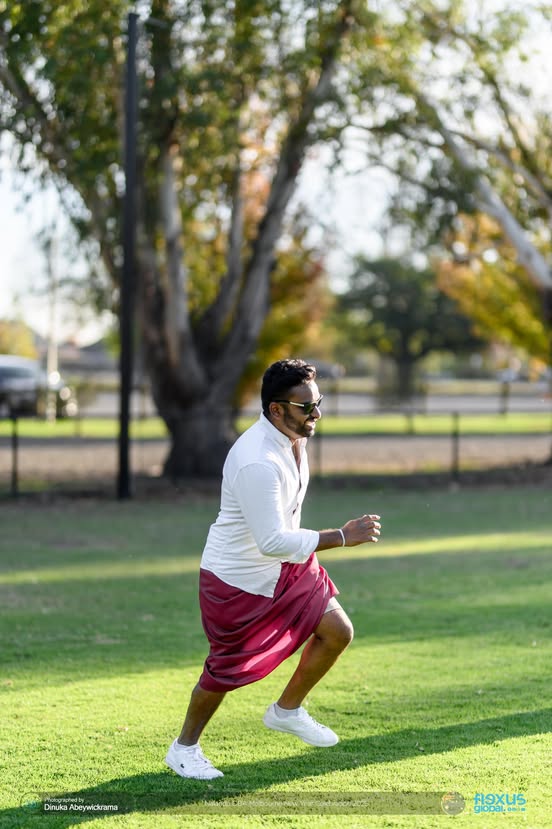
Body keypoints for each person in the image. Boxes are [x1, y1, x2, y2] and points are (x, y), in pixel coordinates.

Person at [165, 358, 381, 780]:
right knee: (225, 670)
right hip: (238, 579)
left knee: (338, 631)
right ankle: (184, 748)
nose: (316, 413)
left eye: (318, 402)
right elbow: (271, 541)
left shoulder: (294, 438)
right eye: (306, 407)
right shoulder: (257, 461)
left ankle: (287, 710)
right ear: (276, 409)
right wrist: (341, 536)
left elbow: (283, 534)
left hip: (289, 566)